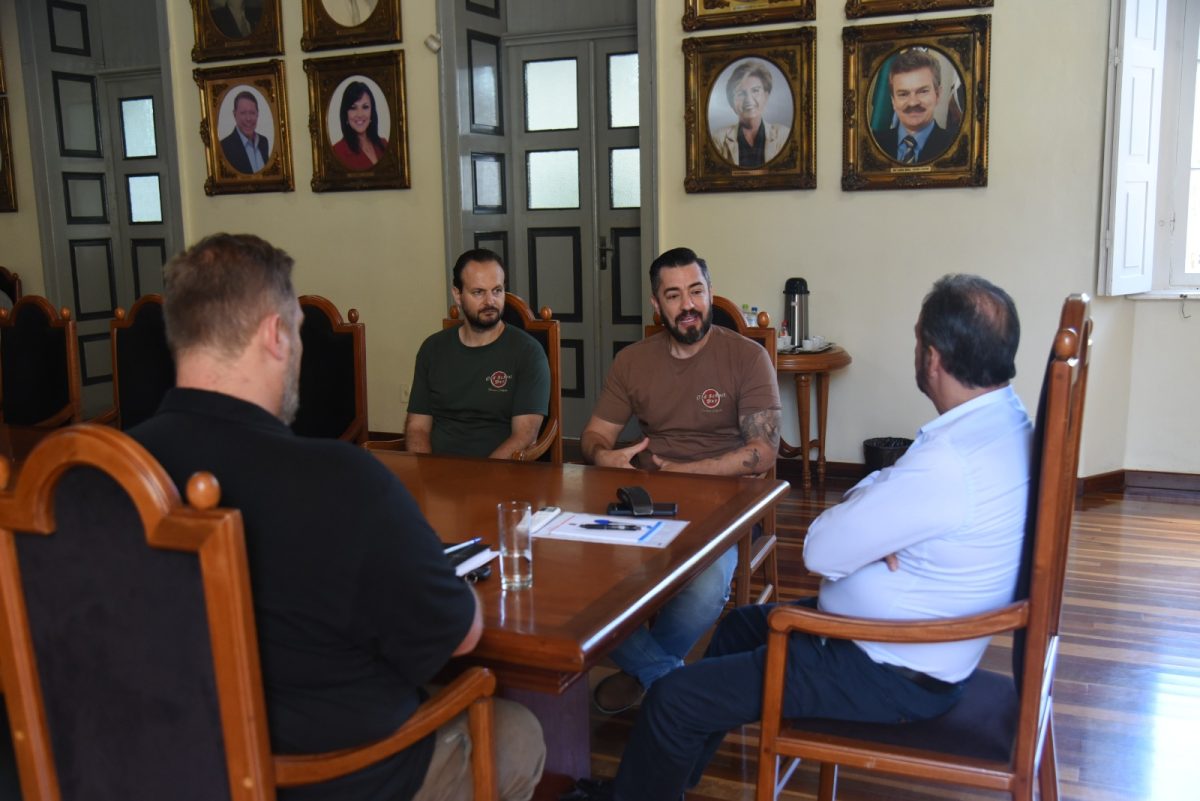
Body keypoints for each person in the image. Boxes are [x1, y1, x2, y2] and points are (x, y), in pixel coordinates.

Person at [130, 234, 544, 801]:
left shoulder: (98, 476)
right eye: (298, 328)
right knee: (518, 733)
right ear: (277, 334)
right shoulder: (345, 480)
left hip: (165, 764)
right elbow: (461, 633)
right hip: (335, 776)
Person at [595, 274, 1032, 801]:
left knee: (671, 697)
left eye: (917, 340)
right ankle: (669, 778)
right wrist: (876, 501)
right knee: (735, 630)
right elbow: (875, 510)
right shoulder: (1006, 423)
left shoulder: (948, 465)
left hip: (884, 665)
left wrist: (869, 506)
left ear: (932, 358)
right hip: (902, 639)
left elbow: (819, 549)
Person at [579, 246, 781, 715]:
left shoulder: (747, 358)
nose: (688, 305)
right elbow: (593, 436)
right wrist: (605, 456)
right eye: (674, 296)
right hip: (649, 497)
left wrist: (678, 471)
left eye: (696, 291)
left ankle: (646, 674)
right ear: (656, 305)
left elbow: (761, 453)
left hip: (730, 502)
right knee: (577, 576)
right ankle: (668, 678)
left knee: (706, 588)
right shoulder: (632, 361)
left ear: (710, 293)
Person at [405, 249, 550, 459]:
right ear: (457, 294)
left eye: (497, 290)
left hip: (498, 475)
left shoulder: (528, 352)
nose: (490, 301)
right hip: (437, 474)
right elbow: (417, 427)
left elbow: (525, 436)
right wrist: (426, 473)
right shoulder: (432, 349)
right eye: (478, 292)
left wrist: (482, 478)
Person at [873, 49, 958, 165]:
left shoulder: (956, 146)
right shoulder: (872, 144)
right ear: (893, 101)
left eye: (922, 91)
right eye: (903, 94)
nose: (913, 103)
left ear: (937, 95)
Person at [711, 60, 791, 168]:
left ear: (766, 96)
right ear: (731, 101)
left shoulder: (784, 135)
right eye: (741, 93)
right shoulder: (718, 139)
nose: (749, 100)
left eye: (755, 91)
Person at [331, 81, 389, 171]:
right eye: (353, 108)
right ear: (345, 113)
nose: (360, 114)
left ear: (372, 111)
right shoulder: (337, 152)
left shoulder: (384, 144)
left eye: (365, 107)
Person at [220, 91, 270, 175]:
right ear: (234, 114)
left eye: (252, 113)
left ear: (257, 114)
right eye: (243, 113)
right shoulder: (224, 147)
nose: (248, 118)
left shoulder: (263, 142)